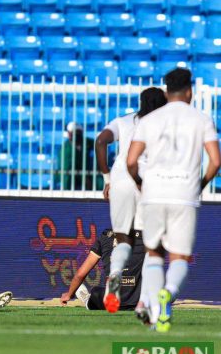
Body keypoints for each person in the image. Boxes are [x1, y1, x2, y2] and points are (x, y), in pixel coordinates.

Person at [127, 68, 220, 332]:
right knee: (179, 257)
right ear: (190, 91)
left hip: (153, 194)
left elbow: (131, 161)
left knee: (154, 254)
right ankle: (168, 291)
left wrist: (139, 183)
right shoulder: (201, 119)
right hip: (184, 195)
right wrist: (199, 184)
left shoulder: (150, 120)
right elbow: (215, 160)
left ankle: (156, 317)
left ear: (166, 92)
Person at [95, 87, 166, 313]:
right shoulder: (165, 126)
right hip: (147, 183)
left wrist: (107, 179)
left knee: (123, 239)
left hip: (120, 182)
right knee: (151, 243)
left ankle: (114, 277)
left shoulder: (123, 121)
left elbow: (100, 142)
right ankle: (145, 297)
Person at [60, 229, 146, 312]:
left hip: (108, 304)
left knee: (96, 292)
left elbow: (80, 274)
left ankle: (87, 300)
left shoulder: (106, 237)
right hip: (138, 303)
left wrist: (69, 295)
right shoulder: (146, 237)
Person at [60, 122, 98, 191]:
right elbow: (69, 168)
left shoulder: (88, 142)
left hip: (89, 174)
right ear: (68, 134)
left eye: (78, 132)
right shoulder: (66, 148)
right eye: (73, 132)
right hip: (71, 177)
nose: (76, 135)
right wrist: (84, 179)